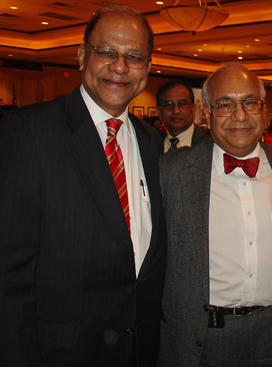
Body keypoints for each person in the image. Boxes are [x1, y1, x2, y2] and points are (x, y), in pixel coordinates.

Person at [0, 5, 166, 367]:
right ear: (81, 56)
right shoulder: (30, 131)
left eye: (134, 56)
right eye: (106, 52)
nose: (119, 66)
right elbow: (8, 274)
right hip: (61, 354)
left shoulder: (152, 142)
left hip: (139, 351)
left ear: (148, 68)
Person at [158, 62, 272, 367]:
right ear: (205, 113)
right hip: (201, 336)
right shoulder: (172, 171)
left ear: (263, 109)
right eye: (225, 104)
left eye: (250, 103)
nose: (240, 116)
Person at [156, 79, 210, 152]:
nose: (176, 111)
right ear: (159, 112)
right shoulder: (152, 146)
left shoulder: (211, 142)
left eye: (182, 104)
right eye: (168, 105)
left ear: (193, 109)